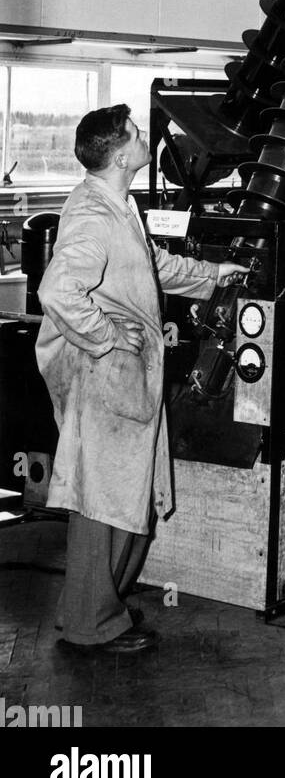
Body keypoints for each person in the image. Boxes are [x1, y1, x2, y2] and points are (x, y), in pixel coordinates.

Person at [35, 104, 248, 654]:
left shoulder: (117, 204)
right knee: (104, 504)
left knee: (127, 501)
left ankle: (96, 608)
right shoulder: (93, 218)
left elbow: (153, 265)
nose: (144, 139)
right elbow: (57, 292)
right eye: (136, 134)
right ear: (119, 153)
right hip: (105, 376)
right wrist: (106, 335)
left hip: (124, 378)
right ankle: (90, 624)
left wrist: (213, 275)